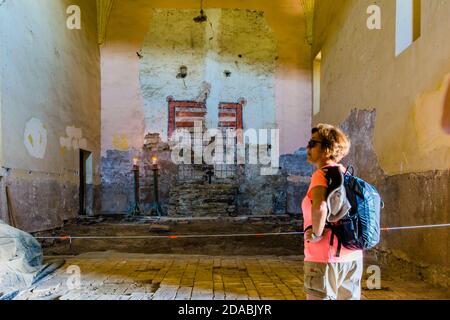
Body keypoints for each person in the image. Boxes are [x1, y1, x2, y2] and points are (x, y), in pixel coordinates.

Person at [302, 124, 363, 300]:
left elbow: (320, 206)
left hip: (324, 257)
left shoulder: (321, 175)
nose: (308, 147)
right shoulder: (346, 174)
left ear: (327, 148)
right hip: (352, 256)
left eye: (313, 143)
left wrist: (315, 234)